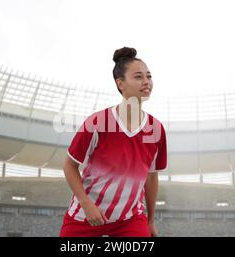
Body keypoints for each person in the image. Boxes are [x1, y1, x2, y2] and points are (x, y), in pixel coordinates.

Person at [59, 47, 167, 237]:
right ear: (120, 84)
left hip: (130, 219)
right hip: (86, 215)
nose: (147, 82)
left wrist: (150, 221)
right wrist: (86, 203)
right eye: (138, 77)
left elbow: (151, 177)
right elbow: (69, 165)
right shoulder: (97, 122)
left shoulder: (156, 129)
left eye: (149, 76)